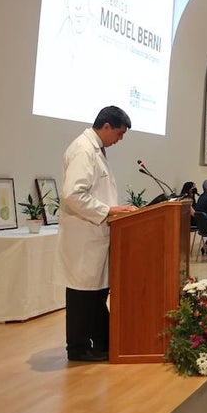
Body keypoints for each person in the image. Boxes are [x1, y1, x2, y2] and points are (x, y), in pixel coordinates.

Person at [56, 106, 137, 362]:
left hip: (96, 232)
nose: (120, 140)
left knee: (95, 294)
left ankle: (102, 344)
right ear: (106, 127)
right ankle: (78, 349)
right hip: (84, 236)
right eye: (119, 134)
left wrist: (113, 210)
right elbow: (72, 195)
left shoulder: (95, 149)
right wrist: (110, 210)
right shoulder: (83, 150)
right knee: (83, 294)